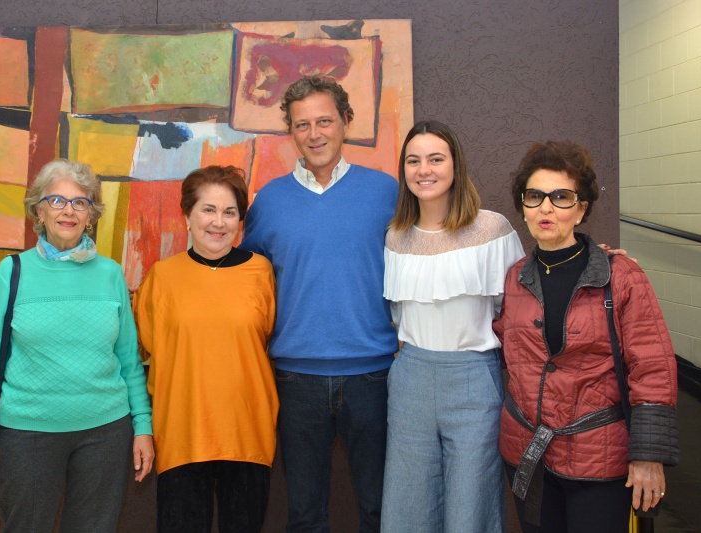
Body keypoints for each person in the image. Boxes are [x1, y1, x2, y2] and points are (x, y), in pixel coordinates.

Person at [494, 141, 680, 532]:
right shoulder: (514, 278)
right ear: (523, 206)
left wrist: (649, 456)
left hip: (600, 460)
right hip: (530, 455)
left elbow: (654, 370)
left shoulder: (621, 276)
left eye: (561, 197)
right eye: (535, 196)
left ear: (581, 209)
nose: (546, 208)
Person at [240, 75, 399, 532]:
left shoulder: (387, 192)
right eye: (302, 124)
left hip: (375, 375)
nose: (315, 134)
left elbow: (433, 249)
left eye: (325, 120)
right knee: (305, 514)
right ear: (290, 132)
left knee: (380, 508)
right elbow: (249, 282)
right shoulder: (268, 202)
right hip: (295, 380)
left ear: (346, 122)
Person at [0, 159, 154, 532]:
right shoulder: (12, 272)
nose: (68, 211)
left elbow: (129, 361)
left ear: (91, 215)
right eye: (56, 201)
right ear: (39, 210)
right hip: (28, 432)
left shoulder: (111, 273)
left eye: (79, 202)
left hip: (106, 431)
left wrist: (142, 426)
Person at [380, 120, 525, 532]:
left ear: (455, 166)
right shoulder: (396, 237)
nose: (424, 170)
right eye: (413, 161)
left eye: (435, 159)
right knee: (408, 502)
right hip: (410, 379)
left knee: (471, 504)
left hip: (474, 378)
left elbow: (521, 305)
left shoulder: (492, 229)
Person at [134, 165, 278, 533]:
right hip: (182, 436)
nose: (219, 222)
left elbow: (267, 339)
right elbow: (145, 350)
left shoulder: (261, 272)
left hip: (247, 435)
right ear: (187, 215)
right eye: (208, 210)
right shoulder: (161, 278)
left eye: (229, 212)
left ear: (240, 221)